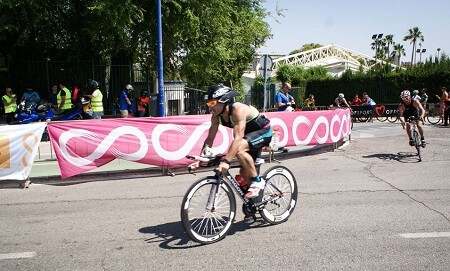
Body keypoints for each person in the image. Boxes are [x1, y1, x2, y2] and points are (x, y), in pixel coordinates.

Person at [189, 83, 273, 199]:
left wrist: (226, 162)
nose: (210, 107)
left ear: (223, 101)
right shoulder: (215, 116)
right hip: (248, 137)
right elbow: (210, 139)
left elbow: (238, 138)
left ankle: (257, 181)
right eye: (208, 103)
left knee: (239, 150)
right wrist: (200, 160)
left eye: (212, 103)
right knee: (244, 173)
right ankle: (255, 204)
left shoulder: (238, 110)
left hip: (264, 131)